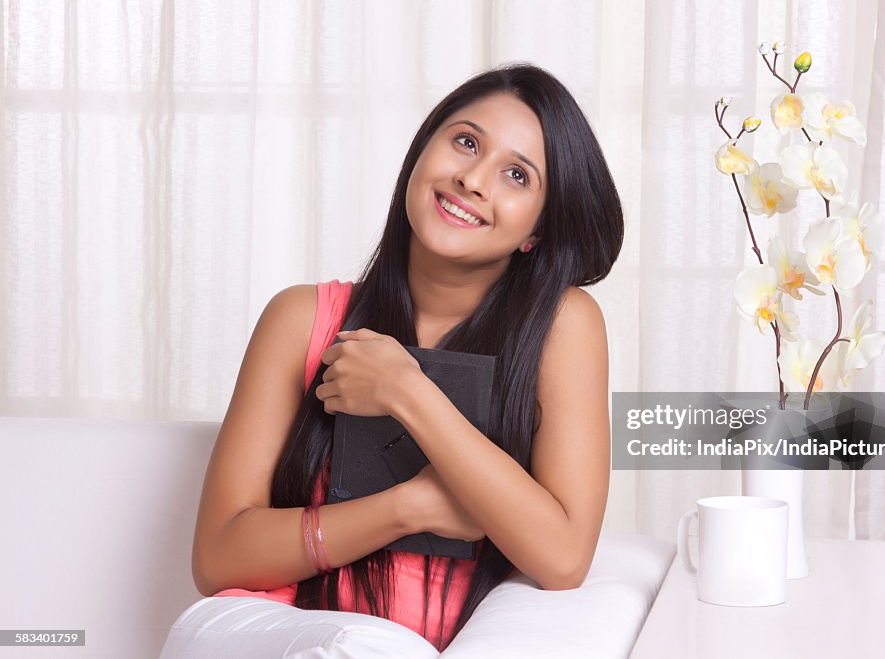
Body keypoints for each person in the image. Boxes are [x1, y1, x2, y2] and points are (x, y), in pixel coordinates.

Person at [190, 63, 624, 651]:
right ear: (421, 153)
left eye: (517, 175)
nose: (473, 179)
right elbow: (218, 559)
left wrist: (407, 390)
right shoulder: (301, 319)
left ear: (536, 232)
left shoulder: (563, 327)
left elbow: (564, 557)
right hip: (296, 637)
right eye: (466, 142)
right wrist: (408, 507)